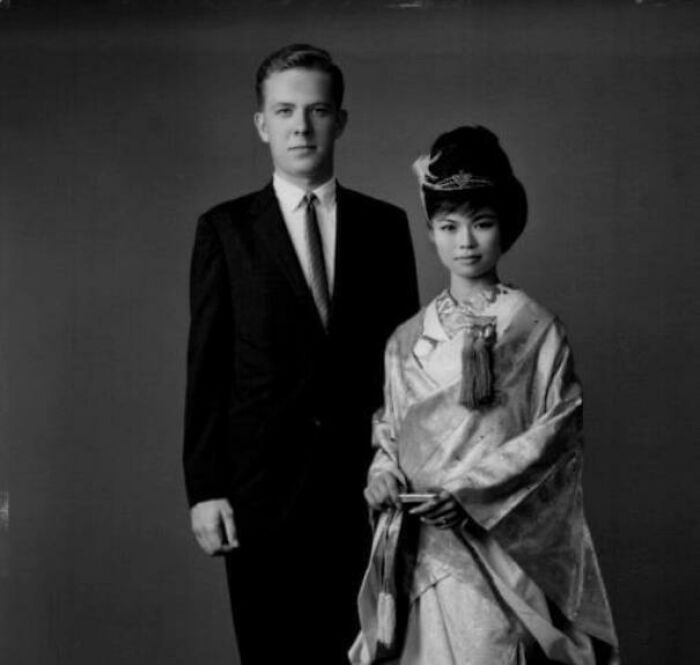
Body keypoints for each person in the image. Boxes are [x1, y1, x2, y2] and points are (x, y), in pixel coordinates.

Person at [183, 44, 419, 665]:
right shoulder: (225, 230)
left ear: (340, 120)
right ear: (262, 124)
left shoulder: (386, 227)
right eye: (284, 111)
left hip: (366, 491)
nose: (301, 126)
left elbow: (406, 372)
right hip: (261, 497)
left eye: (317, 110)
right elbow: (206, 368)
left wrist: (407, 470)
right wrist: (204, 489)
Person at [350, 126, 620, 664]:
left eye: (482, 223)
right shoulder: (406, 339)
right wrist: (382, 476)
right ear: (430, 232)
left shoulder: (536, 329)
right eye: (448, 226)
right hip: (423, 554)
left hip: (499, 549)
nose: (466, 241)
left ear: (507, 228)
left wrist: (472, 495)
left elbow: (554, 438)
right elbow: (391, 429)